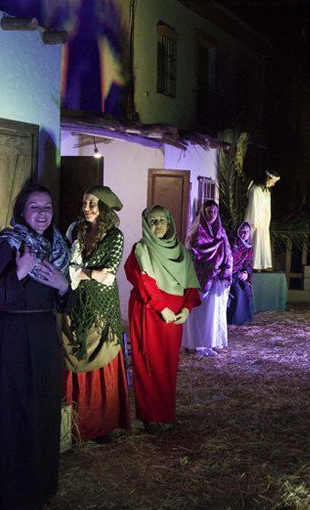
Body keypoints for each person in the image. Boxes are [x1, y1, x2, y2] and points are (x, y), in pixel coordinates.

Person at [0, 184, 70, 509]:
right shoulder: (6, 245)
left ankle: (40, 488)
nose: (42, 213)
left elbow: (65, 304)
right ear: (22, 211)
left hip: (45, 333)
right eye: (35, 207)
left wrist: (63, 286)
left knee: (44, 409)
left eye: (47, 207)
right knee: (14, 411)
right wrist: (18, 272)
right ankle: (11, 494)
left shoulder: (59, 247)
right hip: (13, 334)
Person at [62, 186, 131, 442]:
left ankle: (101, 424)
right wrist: (88, 272)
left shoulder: (115, 236)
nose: (87, 209)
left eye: (92, 204)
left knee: (101, 362)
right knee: (76, 358)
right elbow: (70, 268)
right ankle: (76, 424)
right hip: (77, 305)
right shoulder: (76, 231)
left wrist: (79, 272)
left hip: (102, 307)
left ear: (104, 207)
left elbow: (108, 274)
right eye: (85, 203)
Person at [124, 206, 201, 435]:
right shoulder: (141, 250)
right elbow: (143, 281)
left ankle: (165, 413)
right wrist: (162, 308)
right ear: (146, 224)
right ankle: (150, 417)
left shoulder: (181, 252)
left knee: (167, 364)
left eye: (162, 221)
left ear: (169, 224)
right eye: (152, 221)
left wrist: (186, 309)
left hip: (173, 318)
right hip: (149, 312)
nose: (157, 225)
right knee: (148, 362)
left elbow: (190, 285)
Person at [183, 200, 233, 356]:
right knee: (198, 310)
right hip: (200, 278)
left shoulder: (221, 232)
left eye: (214, 212)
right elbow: (190, 253)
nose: (212, 215)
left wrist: (224, 269)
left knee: (212, 312)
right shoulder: (196, 232)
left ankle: (208, 342)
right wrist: (206, 265)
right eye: (208, 212)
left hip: (215, 277)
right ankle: (194, 343)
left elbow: (228, 252)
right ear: (203, 213)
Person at [244, 170, 280, 270]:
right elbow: (253, 206)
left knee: (263, 241)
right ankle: (254, 264)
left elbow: (267, 208)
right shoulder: (256, 190)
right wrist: (255, 221)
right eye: (273, 181)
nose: (273, 183)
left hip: (263, 221)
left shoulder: (266, 191)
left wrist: (267, 221)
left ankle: (264, 264)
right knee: (256, 241)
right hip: (256, 221)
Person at [227, 221, 254, 325]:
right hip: (230, 274)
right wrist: (237, 274)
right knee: (237, 290)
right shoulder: (232, 244)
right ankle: (233, 319)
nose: (245, 234)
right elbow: (227, 262)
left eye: (247, 232)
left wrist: (246, 273)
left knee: (245, 288)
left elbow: (249, 264)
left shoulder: (248, 248)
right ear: (238, 232)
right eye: (242, 231)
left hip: (240, 274)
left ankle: (244, 318)